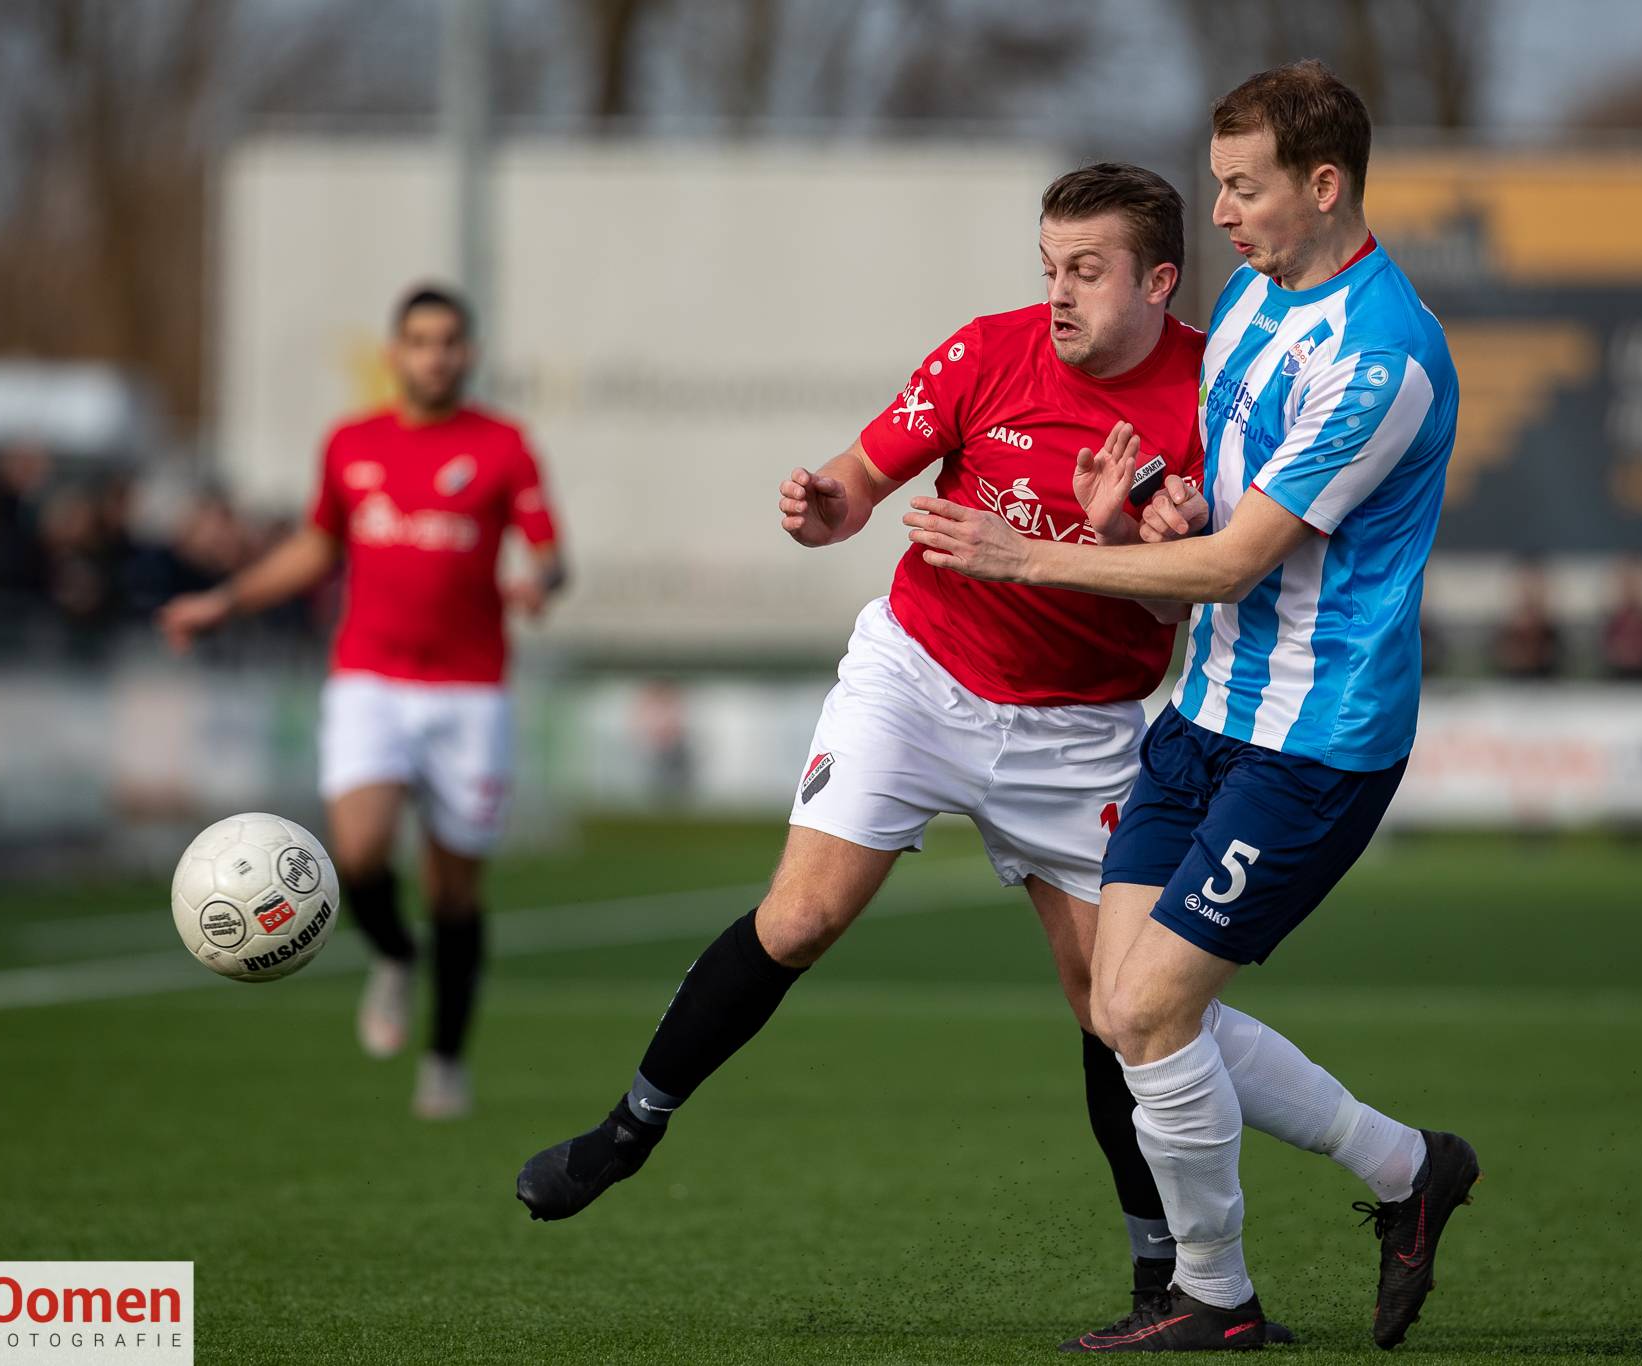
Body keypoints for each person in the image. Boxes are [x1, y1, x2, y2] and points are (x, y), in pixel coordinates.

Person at [515, 162, 1271, 1336]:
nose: (1058, 293)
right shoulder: (986, 351)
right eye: (1048, 267)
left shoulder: (1215, 394)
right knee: (800, 917)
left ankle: (1158, 1270)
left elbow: (1195, 594)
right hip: (919, 677)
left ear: (1158, 281)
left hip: (1079, 730)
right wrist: (825, 507)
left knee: (1112, 1003)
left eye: (1086, 270)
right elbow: (859, 480)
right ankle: (628, 1128)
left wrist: (1132, 533)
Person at [905, 62, 1478, 1351]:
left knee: (1148, 1010)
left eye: (1241, 188)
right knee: (1123, 1009)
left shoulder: (1380, 357)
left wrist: (1028, 554)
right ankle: (1406, 1169)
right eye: (1215, 183)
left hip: (1313, 738)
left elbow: (1234, 565)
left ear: (1321, 186)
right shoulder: (1254, 303)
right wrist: (1153, 511)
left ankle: (1215, 1296)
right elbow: (1217, 520)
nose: (1217, 211)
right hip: (1205, 707)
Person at [159, 284, 565, 1119]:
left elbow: (550, 551)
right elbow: (317, 548)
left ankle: (445, 1059)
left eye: (449, 341)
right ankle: (394, 953)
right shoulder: (350, 444)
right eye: (420, 340)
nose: (435, 356)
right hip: (370, 680)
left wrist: (540, 583)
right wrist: (225, 600)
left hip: (471, 693)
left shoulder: (504, 446)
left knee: (455, 890)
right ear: (395, 353)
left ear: (468, 353)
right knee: (359, 852)